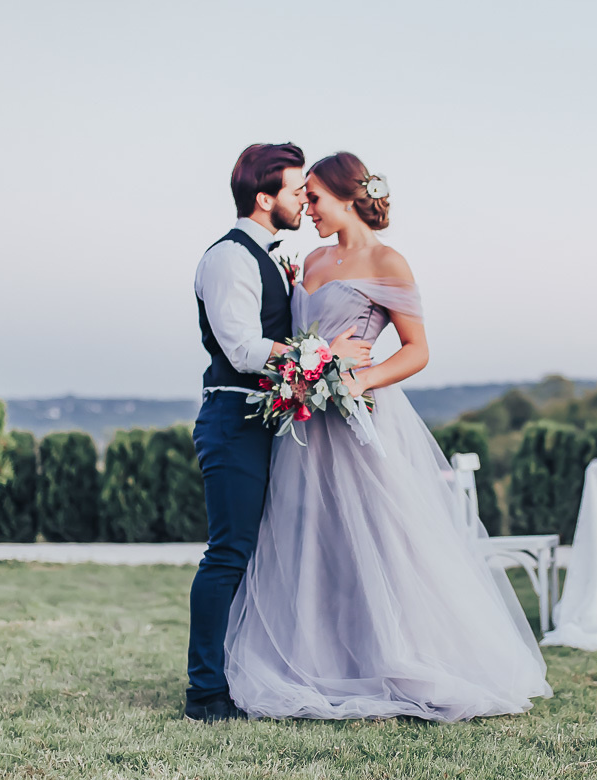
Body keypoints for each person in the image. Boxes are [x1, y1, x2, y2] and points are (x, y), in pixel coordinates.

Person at [223, 152, 552, 721]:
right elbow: (302, 339)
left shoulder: (388, 262)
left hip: (361, 420)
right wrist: (314, 369)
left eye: (316, 199)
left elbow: (418, 350)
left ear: (347, 197)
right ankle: (325, 662)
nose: (309, 208)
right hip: (307, 425)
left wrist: (359, 380)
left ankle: (397, 658)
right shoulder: (312, 260)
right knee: (314, 544)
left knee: (381, 542)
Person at [186, 143, 372, 722]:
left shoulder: (270, 258)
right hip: (234, 419)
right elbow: (242, 349)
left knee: (268, 554)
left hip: (271, 420)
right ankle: (205, 692)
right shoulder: (228, 259)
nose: (303, 201)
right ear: (264, 199)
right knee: (230, 553)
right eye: (296, 192)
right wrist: (324, 355)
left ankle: (251, 671)